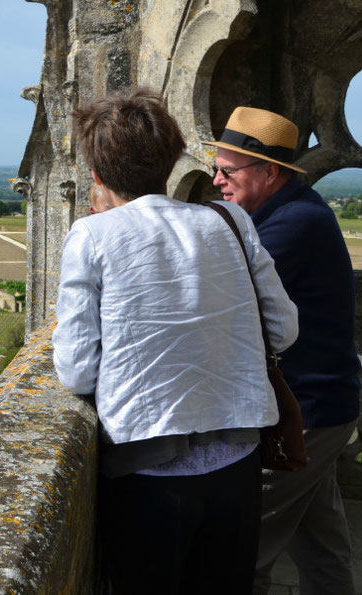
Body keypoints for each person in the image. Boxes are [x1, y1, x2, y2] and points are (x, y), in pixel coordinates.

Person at [53, 89, 299, 592]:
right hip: (238, 462)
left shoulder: (92, 235)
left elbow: (76, 370)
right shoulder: (231, 221)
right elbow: (284, 330)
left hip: (148, 473)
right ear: (171, 161)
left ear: (97, 176)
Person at [205, 106, 362, 594]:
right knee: (323, 547)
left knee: (241, 553)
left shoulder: (292, 225)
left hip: (307, 413)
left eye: (227, 171)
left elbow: (219, 299)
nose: (215, 181)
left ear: (269, 172)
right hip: (324, 409)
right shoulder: (291, 212)